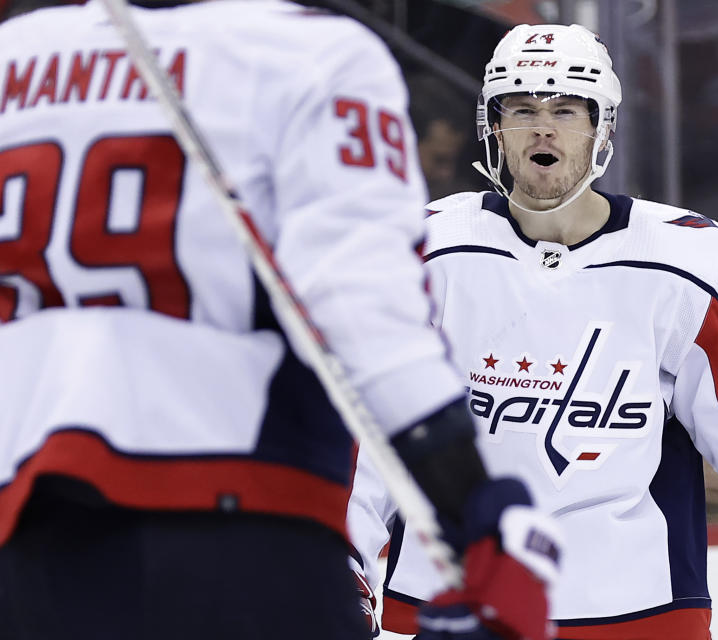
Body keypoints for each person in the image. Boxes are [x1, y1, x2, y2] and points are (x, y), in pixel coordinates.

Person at [0, 2, 560, 639]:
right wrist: (476, 505)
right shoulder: (310, 54)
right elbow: (361, 311)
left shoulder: (13, 55)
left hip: (25, 540)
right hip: (241, 528)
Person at [347, 23, 718, 639]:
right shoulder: (430, 249)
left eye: (565, 110)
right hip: (456, 613)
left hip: (638, 615)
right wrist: (338, 562)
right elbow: (368, 439)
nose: (542, 128)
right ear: (493, 127)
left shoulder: (685, 260)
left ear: (601, 126)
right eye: (522, 109)